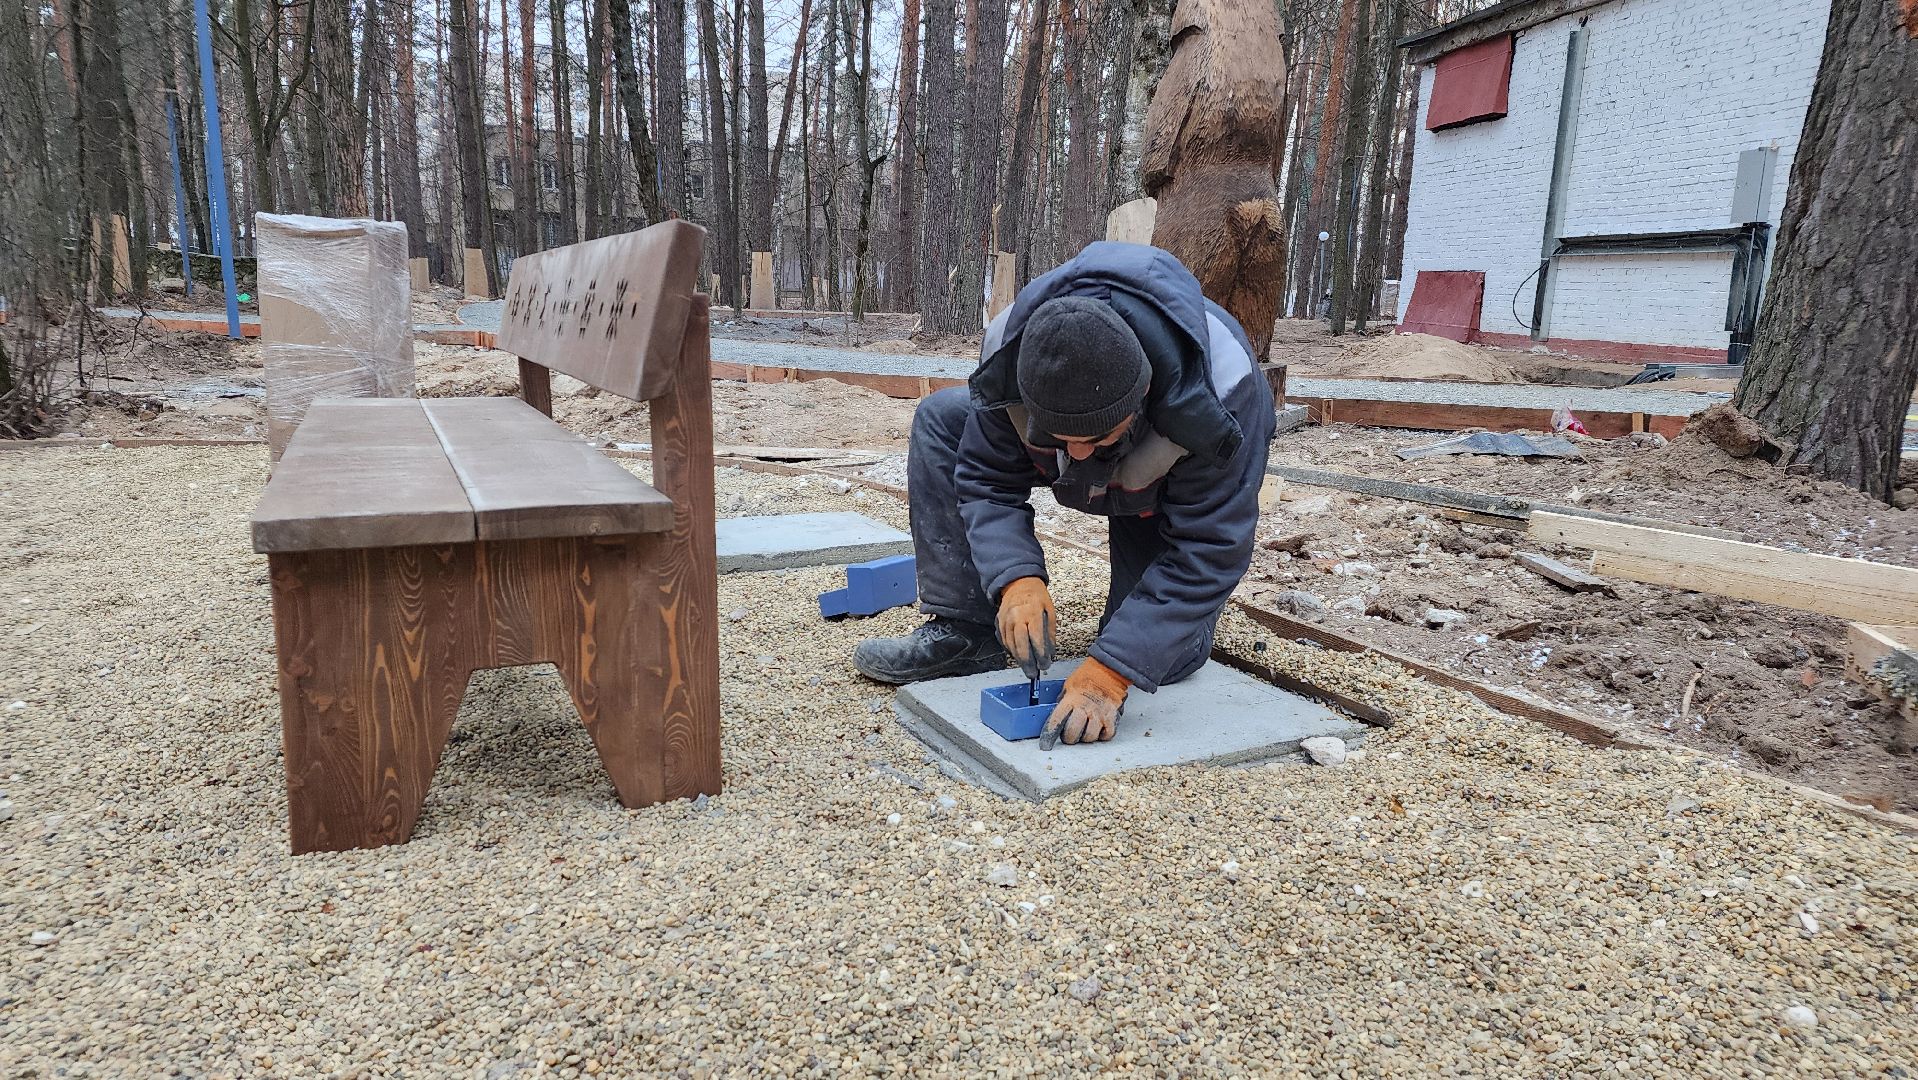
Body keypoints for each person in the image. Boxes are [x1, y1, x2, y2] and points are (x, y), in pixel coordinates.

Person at [853, 241, 1275, 749]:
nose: (1076, 453)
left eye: (1095, 437)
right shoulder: (1009, 351)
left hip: (1160, 496)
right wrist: (1016, 579)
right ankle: (965, 630)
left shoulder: (1225, 392)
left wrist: (1111, 673)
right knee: (944, 418)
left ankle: (1173, 635)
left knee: (1159, 658)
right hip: (1100, 430)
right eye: (1058, 435)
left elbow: (1210, 546)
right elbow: (987, 478)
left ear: (1142, 393)